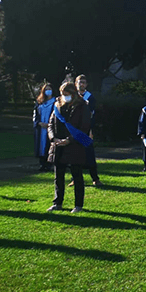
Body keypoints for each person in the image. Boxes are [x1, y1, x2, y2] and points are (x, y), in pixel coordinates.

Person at [47, 82, 92, 213]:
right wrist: (53, 138)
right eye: (62, 94)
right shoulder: (57, 105)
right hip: (58, 146)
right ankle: (57, 202)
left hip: (75, 146)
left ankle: (78, 205)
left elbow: (84, 127)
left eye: (66, 94)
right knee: (58, 176)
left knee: (77, 176)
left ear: (73, 94)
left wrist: (69, 140)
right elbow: (51, 124)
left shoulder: (83, 107)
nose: (64, 97)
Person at [74, 75, 102, 187]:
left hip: (86, 130)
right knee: (75, 155)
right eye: (79, 82)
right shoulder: (73, 97)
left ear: (86, 84)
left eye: (83, 82)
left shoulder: (90, 97)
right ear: (76, 83)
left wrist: (91, 130)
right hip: (75, 130)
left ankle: (95, 178)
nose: (81, 84)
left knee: (89, 155)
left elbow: (92, 115)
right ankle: (75, 178)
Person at [33, 83, 56, 172]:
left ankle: (49, 164)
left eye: (49, 89)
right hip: (41, 128)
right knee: (41, 146)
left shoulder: (56, 102)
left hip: (50, 128)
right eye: (46, 89)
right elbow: (35, 114)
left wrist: (50, 124)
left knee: (49, 145)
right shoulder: (40, 102)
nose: (48, 91)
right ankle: (42, 164)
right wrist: (38, 123)